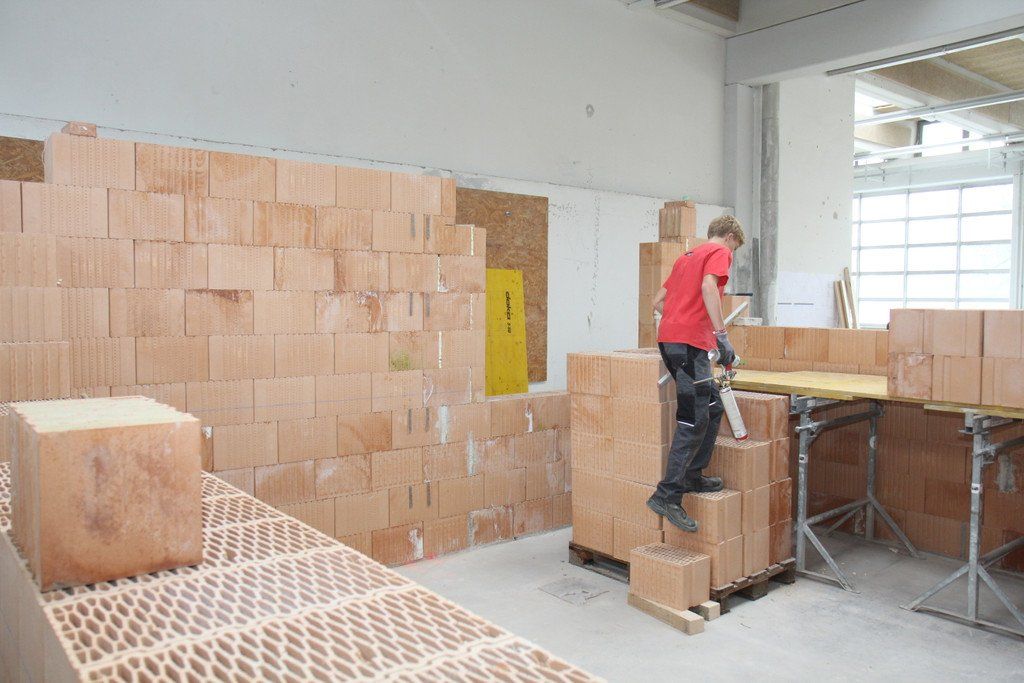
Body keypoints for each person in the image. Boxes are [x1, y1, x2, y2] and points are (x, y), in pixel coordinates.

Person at [647, 215, 745, 533]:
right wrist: (721, 334)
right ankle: (667, 496)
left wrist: (681, 320)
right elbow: (708, 286)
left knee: (712, 405)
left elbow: (657, 302)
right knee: (692, 419)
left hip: (670, 342)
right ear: (730, 237)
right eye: (735, 247)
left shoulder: (686, 257)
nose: (732, 253)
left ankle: (692, 475)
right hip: (690, 347)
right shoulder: (719, 252)